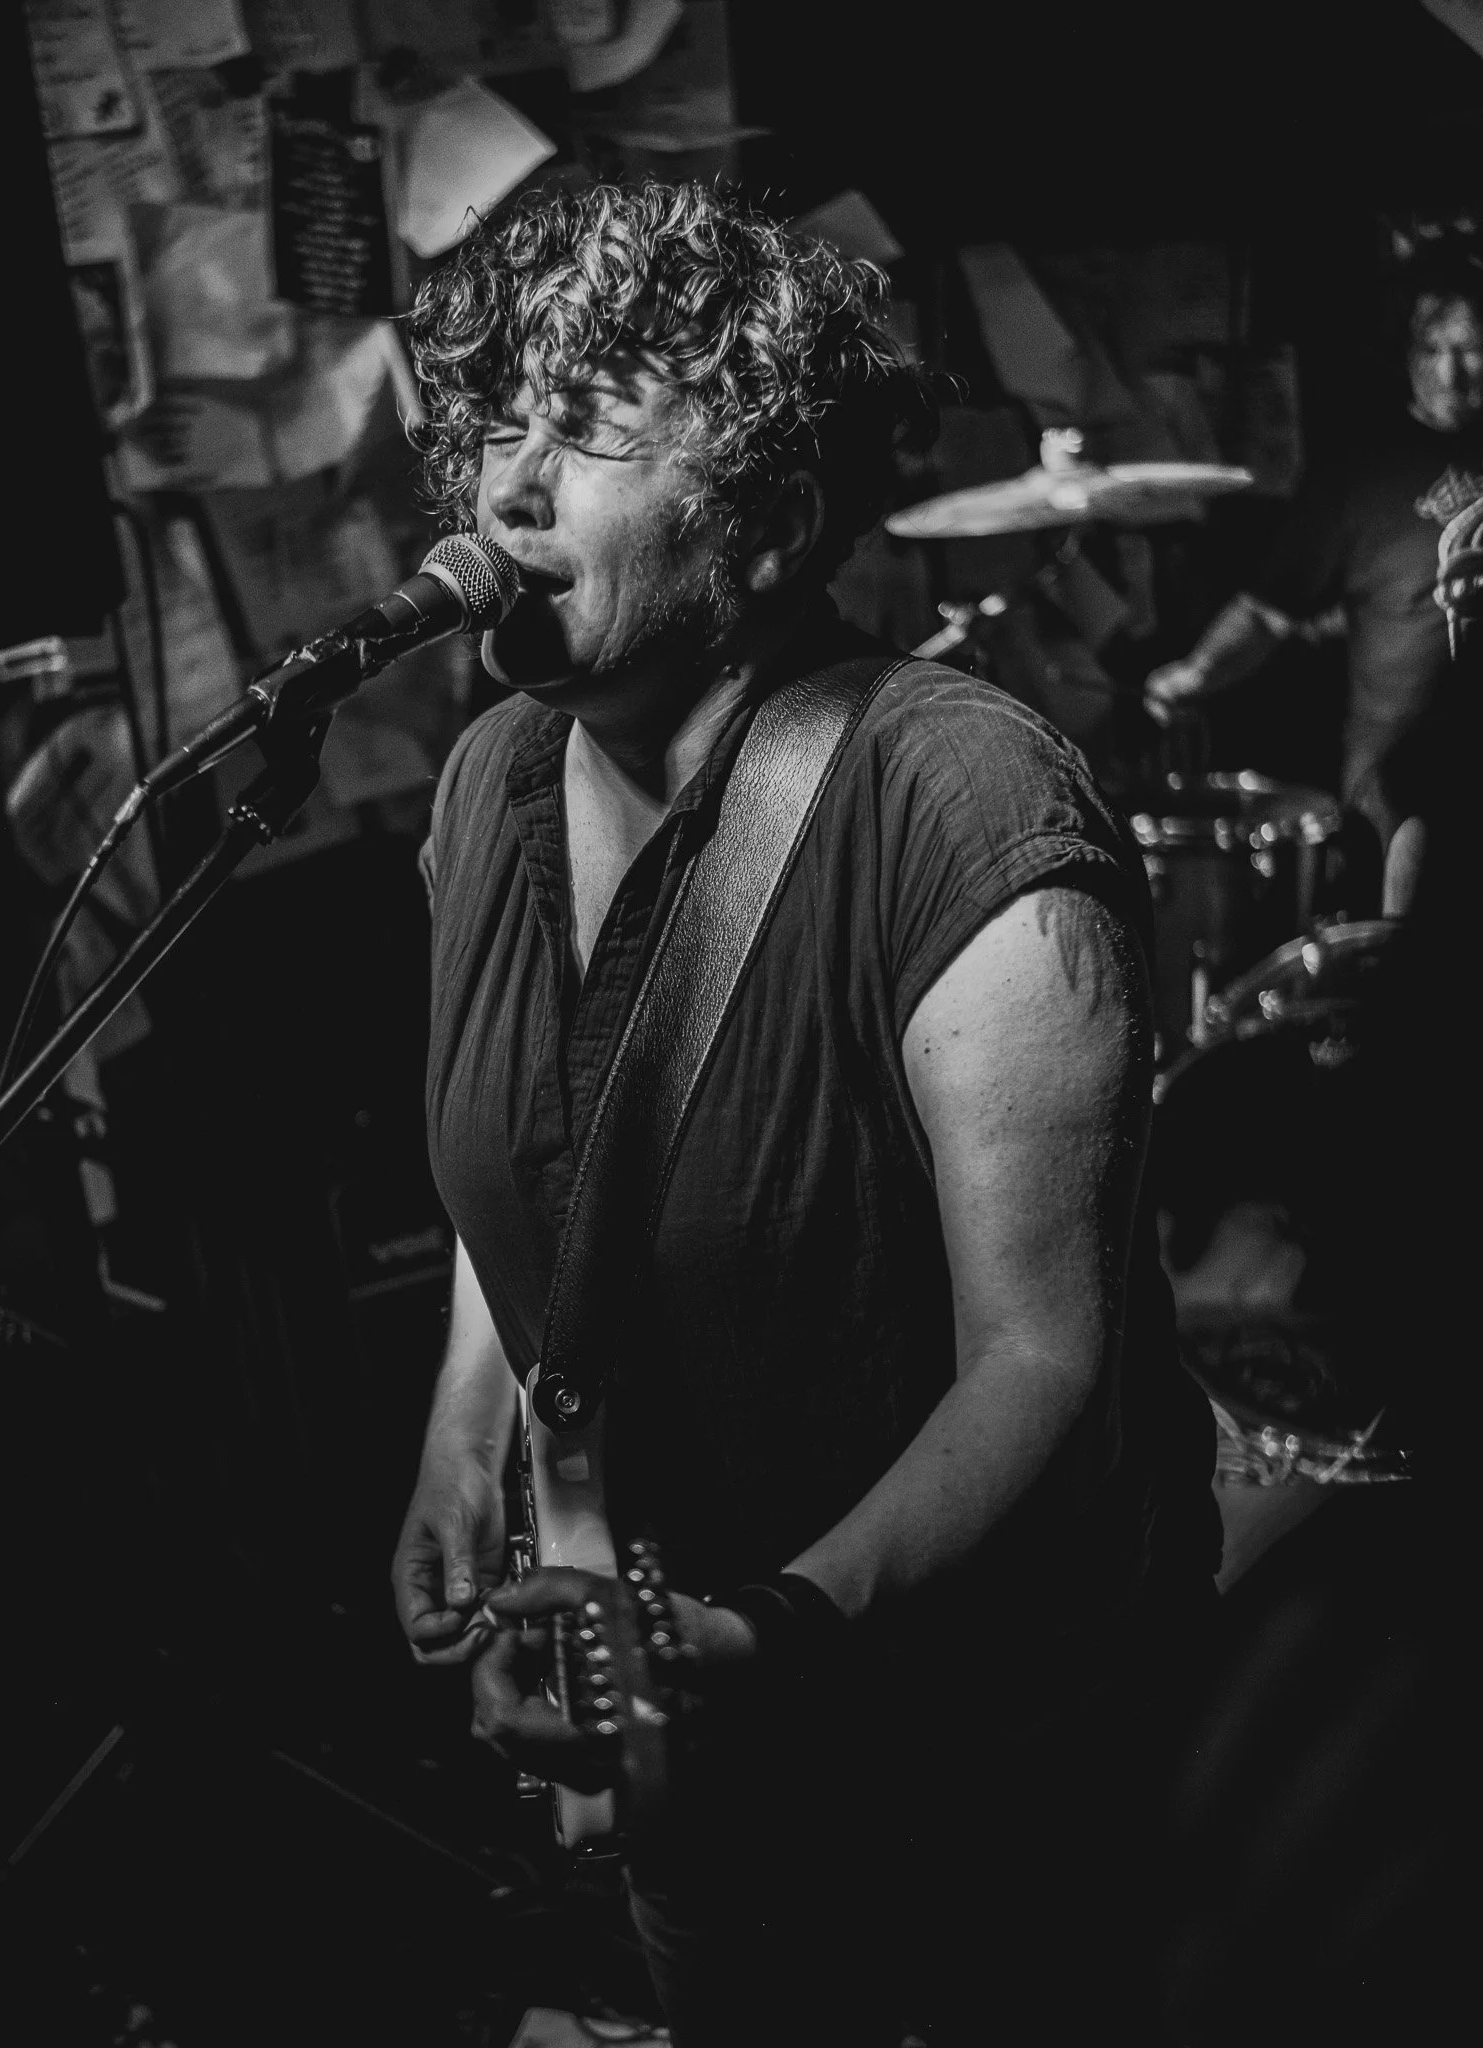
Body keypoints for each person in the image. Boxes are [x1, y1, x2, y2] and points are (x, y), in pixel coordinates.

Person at [390, 181, 1218, 2045]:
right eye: (492, 424)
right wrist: (468, 1425)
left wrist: (767, 1625)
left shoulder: (955, 801)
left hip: (971, 1729)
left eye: (590, 431)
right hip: (689, 1726)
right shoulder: (487, 782)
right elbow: (536, 1153)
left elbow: (1046, 1364)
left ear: (760, 515)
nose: (509, 487)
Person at [1143, 255, 1483, 854]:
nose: (1449, 373)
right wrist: (1197, 672)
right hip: (1399, 785)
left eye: (1470, 349)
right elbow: (1271, 607)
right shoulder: (1359, 473)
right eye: (1432, 350)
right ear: (1407, 355)